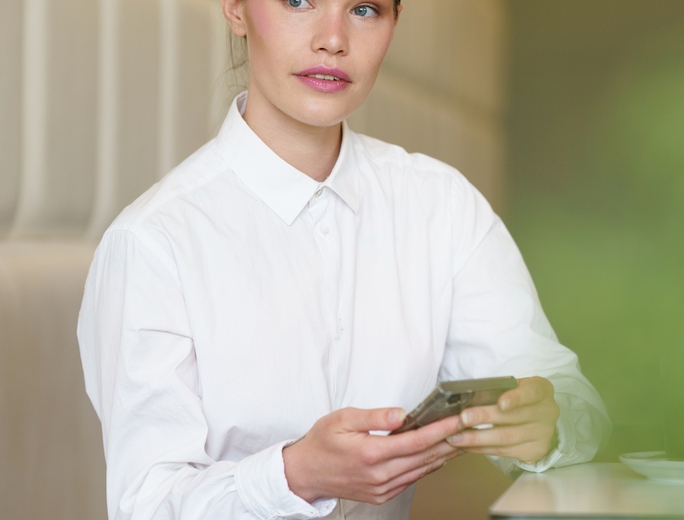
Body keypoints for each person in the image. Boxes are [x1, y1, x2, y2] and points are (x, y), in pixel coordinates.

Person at [77, 0, 611, 518]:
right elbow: (144, 506)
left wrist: (549, 423)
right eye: (298, 0)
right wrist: (296, 475)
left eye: (364, 9)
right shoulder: (152, 244)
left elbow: (568, 394)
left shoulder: (441, 206)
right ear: (236, 8)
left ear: (395, 22)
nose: (333, 39)